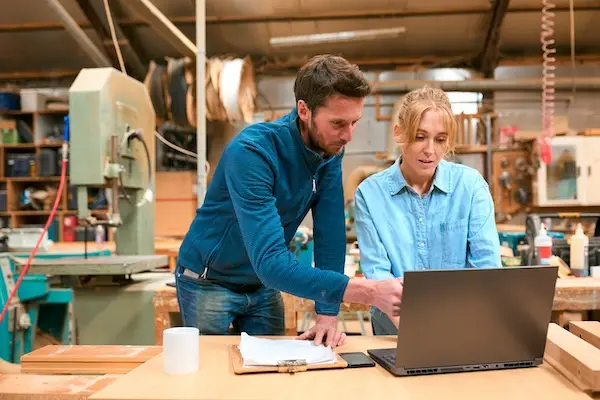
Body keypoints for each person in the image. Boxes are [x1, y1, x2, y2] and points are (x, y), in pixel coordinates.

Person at [175, 54, 404, 347]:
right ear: (304, 110)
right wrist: (369, 292)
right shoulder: (252, 153)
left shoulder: (330, 151)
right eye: (337, 123)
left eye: (354, 122)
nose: (348, 135)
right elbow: (270, 262)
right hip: (209, 281)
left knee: (272, 378)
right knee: (212, 377)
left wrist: (327, 313)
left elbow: (330, 236)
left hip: (262, 284)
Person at [353, 87, 502, 335]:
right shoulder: (370, 195)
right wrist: (418, 334)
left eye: (440, 139)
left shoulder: (470, 186)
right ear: (399, 133)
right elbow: (380, 278)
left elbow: (486, 270)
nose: (430, 150)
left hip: (462, 330)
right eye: (420, 137)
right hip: (396, 335)